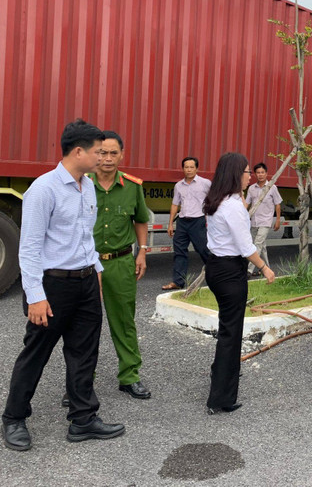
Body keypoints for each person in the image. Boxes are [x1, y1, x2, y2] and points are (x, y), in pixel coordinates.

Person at [1, 119, 124, 451]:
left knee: (84, 353)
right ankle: (14, 417)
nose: (103, 157)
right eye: (98, 151)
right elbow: (28, 248)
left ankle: (83, 419)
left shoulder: (87, 187)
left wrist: (95, 273)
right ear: (79, 151)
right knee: (36, 352)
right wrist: (36, 297)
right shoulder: (44, 189)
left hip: (84, 283)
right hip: (51, 286)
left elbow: (85, 239)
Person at [203, 153, 276, 414]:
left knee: (227, 329)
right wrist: (265, 268)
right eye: (246, 172)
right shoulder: (232, 206)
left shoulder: (219, 199)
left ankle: (221, 377)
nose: (250, 176)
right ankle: (220, 398)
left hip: (216, 267)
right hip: (230, 272)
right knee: (230, 334)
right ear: (236, 174)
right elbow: (246, 246)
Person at [89, 131, 152, 400]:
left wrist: (142, 252)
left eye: (113, 153)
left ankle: (129, 376)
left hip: (121, 261)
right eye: (102, 152)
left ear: (122, 155)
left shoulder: (132, 186)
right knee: (83, 324)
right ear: (94, 154)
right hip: (86, 264)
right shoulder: (80, 183)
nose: (107, 158)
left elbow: (140, 219)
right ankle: (81, 379)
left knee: (124, 320)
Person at [163, 157, 211, 290]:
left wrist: (211, 217)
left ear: (197, 168)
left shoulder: (205, 183)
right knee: (179, 251)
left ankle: (217, 276)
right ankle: (178, 282)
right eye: (186, 167)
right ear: (182, 168)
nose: (189, 170)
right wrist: (170, 223)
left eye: (191, 167)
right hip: (183, 222)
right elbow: (175, 204)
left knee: (204, 250)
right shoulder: (178, 185)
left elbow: (214, 199)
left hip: (198, 221)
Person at [245, 162, 282, 276]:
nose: (260, 175)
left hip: (266, 221)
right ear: (255, 174)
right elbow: (247, 204)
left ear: (266, 174)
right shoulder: (251, 188)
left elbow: (277, 204)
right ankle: (266, 268)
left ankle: (249, 270)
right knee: (261, 246)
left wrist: (277, 220)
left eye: (262, 172)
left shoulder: (272, 187)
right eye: (258, 173)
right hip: (254, 221)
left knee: (257, 243)